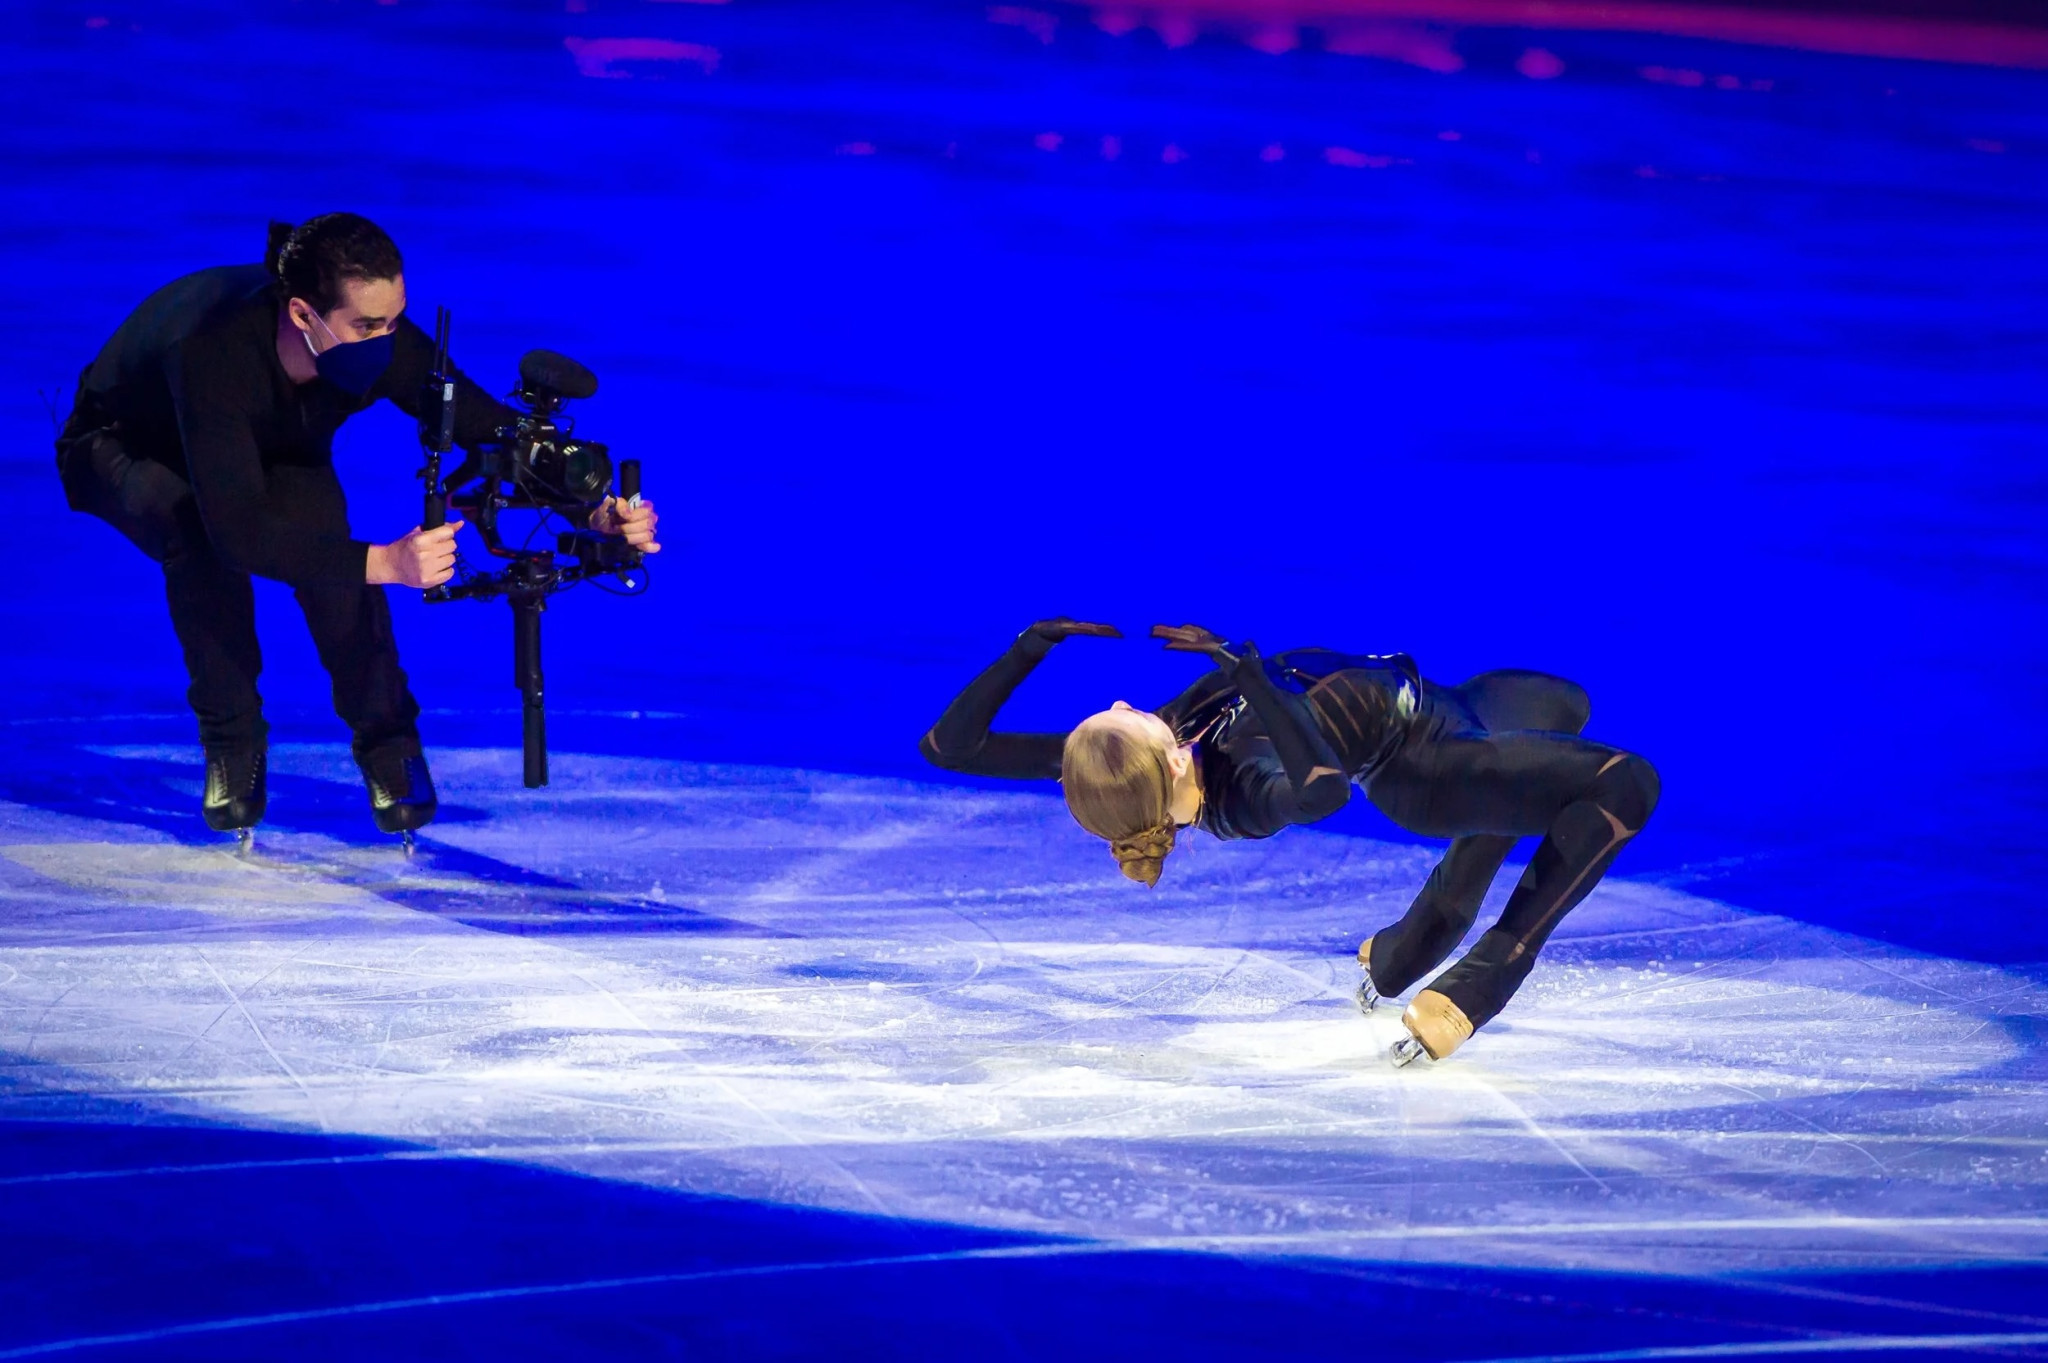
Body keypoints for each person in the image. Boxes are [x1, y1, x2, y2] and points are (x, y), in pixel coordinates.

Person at [55, 213, 659, 842]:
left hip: (277, 444)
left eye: (395, 319)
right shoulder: (213, 350)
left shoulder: (379, 335)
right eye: (368, 326)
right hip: (126, 446)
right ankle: (232, 742)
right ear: (302, 315)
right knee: (200, 535)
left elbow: (491, 431)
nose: (386, 338)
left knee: (328, 547)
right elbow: (239, 532)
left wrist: (594, 512)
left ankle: (389, 743)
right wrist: (387, 563)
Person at [920, 619, 1659, 1065]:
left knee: (1560, 705)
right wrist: (1250, 676)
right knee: (1626, 784)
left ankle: (1414, 941)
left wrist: (1029, 648)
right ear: (1164, 763)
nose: (1119, 702)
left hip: (1444, 706)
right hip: (1426, 767)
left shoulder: (1156, 747)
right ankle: (1486, 978)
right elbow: (1323, 791)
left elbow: (950, 747)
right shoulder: (1244, 791)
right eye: (1118, 716)